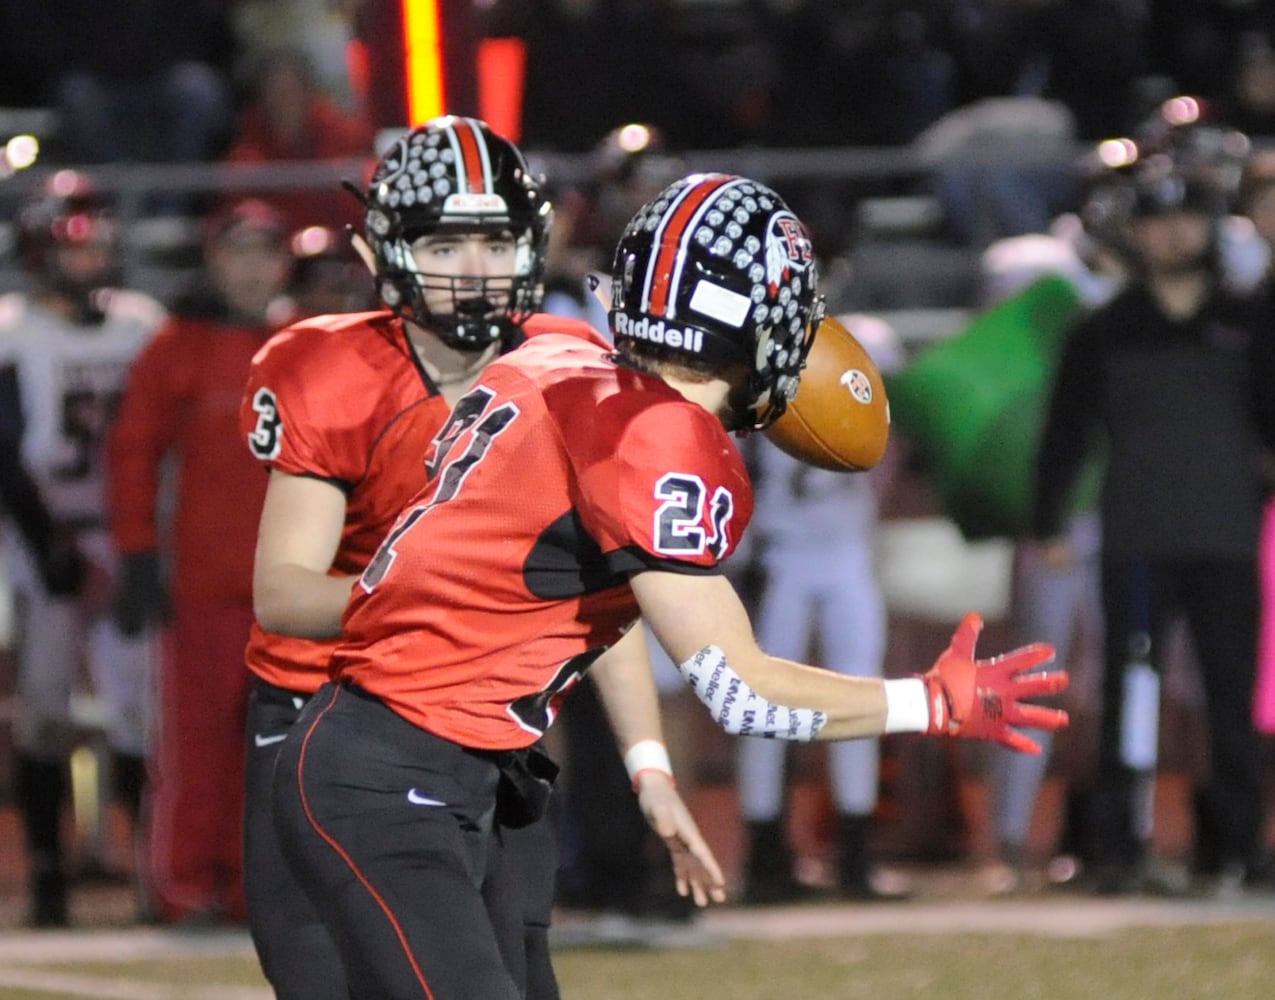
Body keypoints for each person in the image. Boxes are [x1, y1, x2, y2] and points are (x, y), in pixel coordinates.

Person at [270, 171, 1069, 999]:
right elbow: (741, 692)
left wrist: (648, 766)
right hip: (391, 780)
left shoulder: (560, 353)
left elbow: (578, 606)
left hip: (449, 772)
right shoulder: (658, 439)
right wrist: (929, 702)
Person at [238, 116, 714, 1000]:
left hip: (484, 738)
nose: (474, 267)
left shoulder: (570, 367)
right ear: (381, 253)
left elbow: (600, 601)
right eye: (444, 241)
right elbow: (284, 594)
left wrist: (648, 764)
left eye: (493, 240)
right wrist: (461, 599)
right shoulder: (330, 369)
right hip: (330, 728)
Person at [1030, 162, 1275, 897]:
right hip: (1135, 537)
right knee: (1129, 698)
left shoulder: (1249, 321)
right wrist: (1048, 521)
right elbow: (1063, 433)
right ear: (1131, 231)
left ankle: (1238, 848)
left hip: (1230, 538)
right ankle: (1119, 848)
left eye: (1187, 217)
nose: (1173, 233)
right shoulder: (1103, 329)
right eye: (1156, 219)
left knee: (1231, 700)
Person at [107, 198, 295, 925]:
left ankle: (258, 888)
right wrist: (135, 555)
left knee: (280, 754)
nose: (253, 267)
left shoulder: (307, 342)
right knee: (195, 750)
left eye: (265, 252)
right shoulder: (175, 348)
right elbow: (133, 457)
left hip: (290, 593)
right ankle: (184, 887)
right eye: (240, 252)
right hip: (205, 591)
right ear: (215, 261)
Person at [0, 170, 167, 927]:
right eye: (75, 245)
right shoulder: (13, 330)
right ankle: (46, 874)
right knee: (44, 711)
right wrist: (45, 546)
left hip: (125, 531)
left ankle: (151, 869)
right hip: (38, 536)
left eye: (98, 242)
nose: (90, 257)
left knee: (138, 710)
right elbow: (5, 453)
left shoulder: (139, 323)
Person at [735, 315, 910, 904]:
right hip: (780, 555)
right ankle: (764, 853)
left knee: (861, 695)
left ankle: (854, 854)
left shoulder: (860, 343)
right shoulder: (755, 361)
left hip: (843, 555)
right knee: (761, 707)